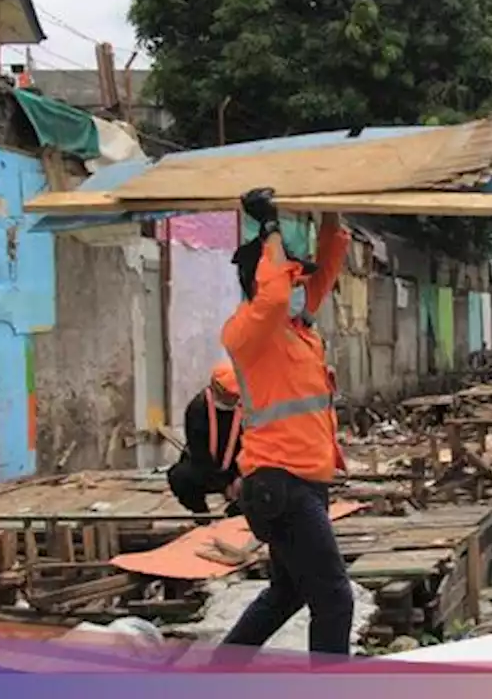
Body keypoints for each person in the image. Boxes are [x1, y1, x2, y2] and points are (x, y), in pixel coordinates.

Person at [220, 189, 353, 657]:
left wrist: (333, 207)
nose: (301, 288)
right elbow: (276, 291)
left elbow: (325, 272)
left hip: (304, 483)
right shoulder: (248, 333)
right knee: (334, 599)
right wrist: (270, 227)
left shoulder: (299, 330)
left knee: (289, 592)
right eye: (293, 277)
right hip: (279, 485)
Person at [166, 361, 244, 519]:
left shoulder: (247, 408)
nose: (232, 399)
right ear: (216, 388)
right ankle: (202, 515)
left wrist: (240, 477)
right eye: (229, 395)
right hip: (205, 467)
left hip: (237, 467)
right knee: (180, 476)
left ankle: (234, 515)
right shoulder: (197, 409)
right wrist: (224, 484)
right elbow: (199, 454)